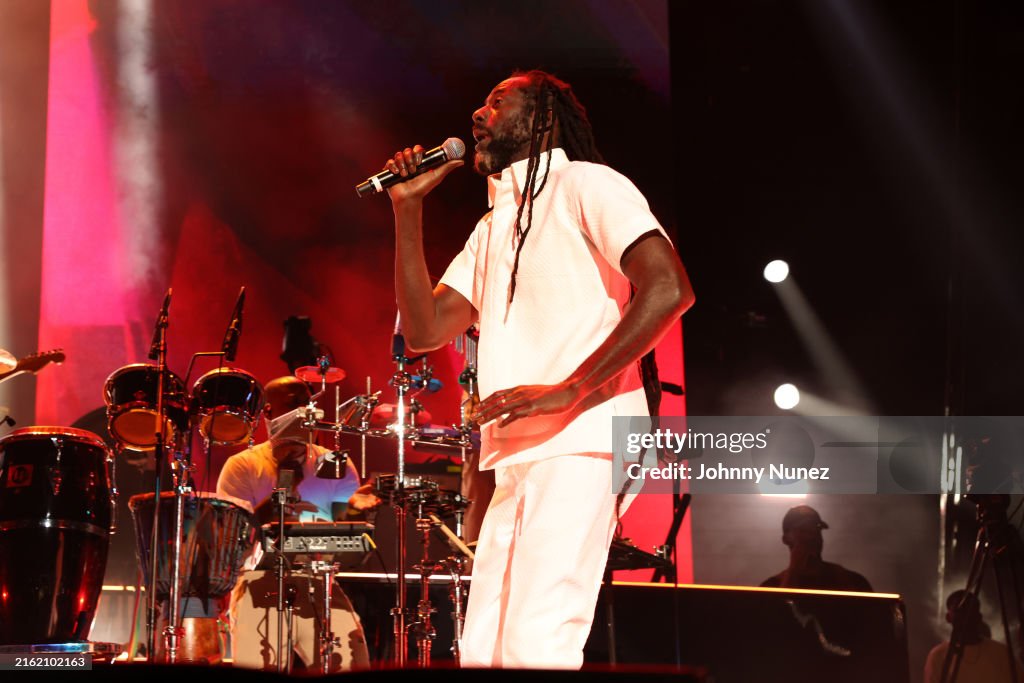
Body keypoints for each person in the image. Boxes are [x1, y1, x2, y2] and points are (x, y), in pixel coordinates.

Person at [382, 69, 694, 668]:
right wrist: (407, 210)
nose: (479, 113)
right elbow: (424, 330)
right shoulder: (492, 226)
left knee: (537, 642)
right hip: (516, 455)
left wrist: (571, 390)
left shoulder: (588, 184)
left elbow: (669, 288)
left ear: (543, 118)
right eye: (481, 103)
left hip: (584, 439)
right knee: (482, 653)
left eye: (498, 101)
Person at [216, 375, 380, 672]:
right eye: (295, 404)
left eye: (308, 403)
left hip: (320, 581)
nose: (306, 411)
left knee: (351, 661)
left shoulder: (334, 462)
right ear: (267, 412)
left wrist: (356, 511)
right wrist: (284, 486)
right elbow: (236, 534)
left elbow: (345, 534)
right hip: (259, 583)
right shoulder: (243, 464)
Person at [760, 505, 873, 592]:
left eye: (816, 530)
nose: (812, 536)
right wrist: (794, 572)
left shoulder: (852, 581)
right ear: (786, 539)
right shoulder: (771, 587)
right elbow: (777, 616)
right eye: (803, 530)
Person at [923, 590, 1022, 683]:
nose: (966, 617)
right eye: (960, 611)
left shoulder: (1002, 654)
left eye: (970, 610)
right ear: (948, 617)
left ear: (978, 617)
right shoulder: (939, 656)